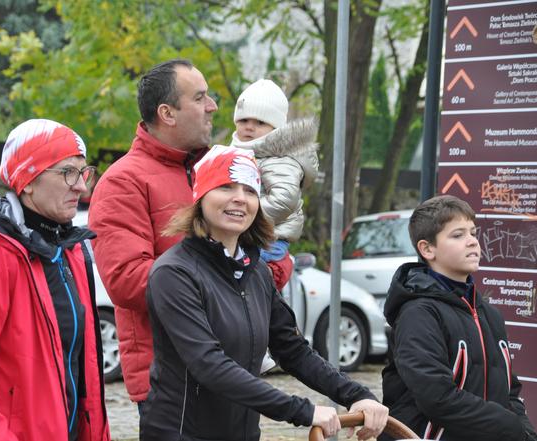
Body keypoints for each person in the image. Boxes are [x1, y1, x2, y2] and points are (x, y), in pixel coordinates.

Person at [141, 146, 388, 441]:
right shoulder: (174, 273)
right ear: (200, 197)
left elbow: (293, 350)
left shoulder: (255, 271)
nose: (239, 198)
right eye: (225, 187)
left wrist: (357, 394)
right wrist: (303, 410)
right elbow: (209, 365)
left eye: (249, 189)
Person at [88, 59, 293, 405]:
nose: (213, 106)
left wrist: (274, 265)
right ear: (167, 113)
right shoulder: (123, 182)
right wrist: (227, 286)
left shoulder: (221, 168)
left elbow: (260, 256)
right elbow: (127, 281)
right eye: (200, 98)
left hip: (238, 376)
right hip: (173, 384)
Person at [0, 119, 110, 441]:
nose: (82, 186)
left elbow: (82, 369)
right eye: (68, 172)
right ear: (27, 180)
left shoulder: (69, 251)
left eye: (84, 172)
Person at [381, 195, 537, 441]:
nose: (472, 242)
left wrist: (526, 433)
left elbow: (510, 391)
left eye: (473, 233)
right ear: (427, 249)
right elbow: (437, 398)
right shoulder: (418, 314)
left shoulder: (489, 314)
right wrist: (508, 427)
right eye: (458, 235)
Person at [230, 78, 318, 265]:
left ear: (275, 128)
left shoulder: (280, 159)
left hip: (269, 241)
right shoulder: (238, 151)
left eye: (260, 122)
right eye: (244, 120)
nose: (249, 126)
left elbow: (284, 199)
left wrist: (241, 215)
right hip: (248, 235)